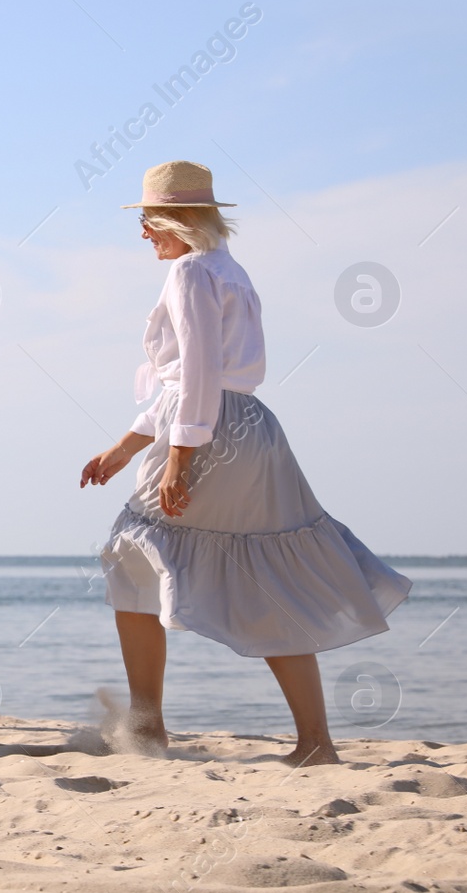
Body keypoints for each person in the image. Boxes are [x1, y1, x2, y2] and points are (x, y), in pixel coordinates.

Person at [80, 161, 410, 767]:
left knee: (132, 561)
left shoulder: (187, 271)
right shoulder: (230, 270)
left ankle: (148, 728)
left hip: (207, 432)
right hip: (253, 429)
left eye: (148, 222)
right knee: (268, 580)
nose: (144, 234)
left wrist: (179, 458)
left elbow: (198, 373)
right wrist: (124, 447)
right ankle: (315, 742)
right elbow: (195, 381)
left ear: (174, 220)